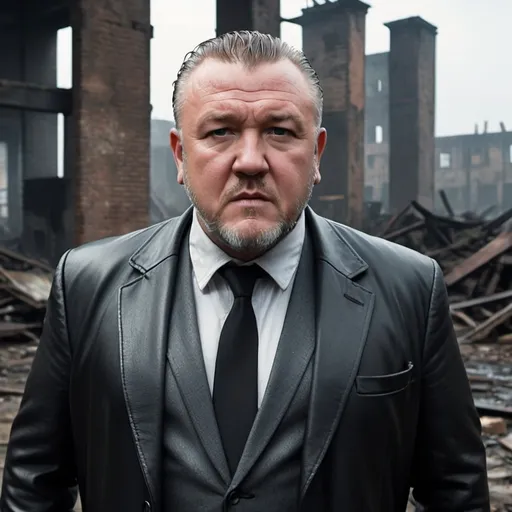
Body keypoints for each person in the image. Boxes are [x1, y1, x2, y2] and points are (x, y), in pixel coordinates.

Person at [1, 30, 489, 512]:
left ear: (316, 153)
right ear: (180, 154)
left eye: (279, 130)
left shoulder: (409, 288)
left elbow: (455, 489)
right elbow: (34, 483)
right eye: (220, 132)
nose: (251, 161)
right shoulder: (86, 286)